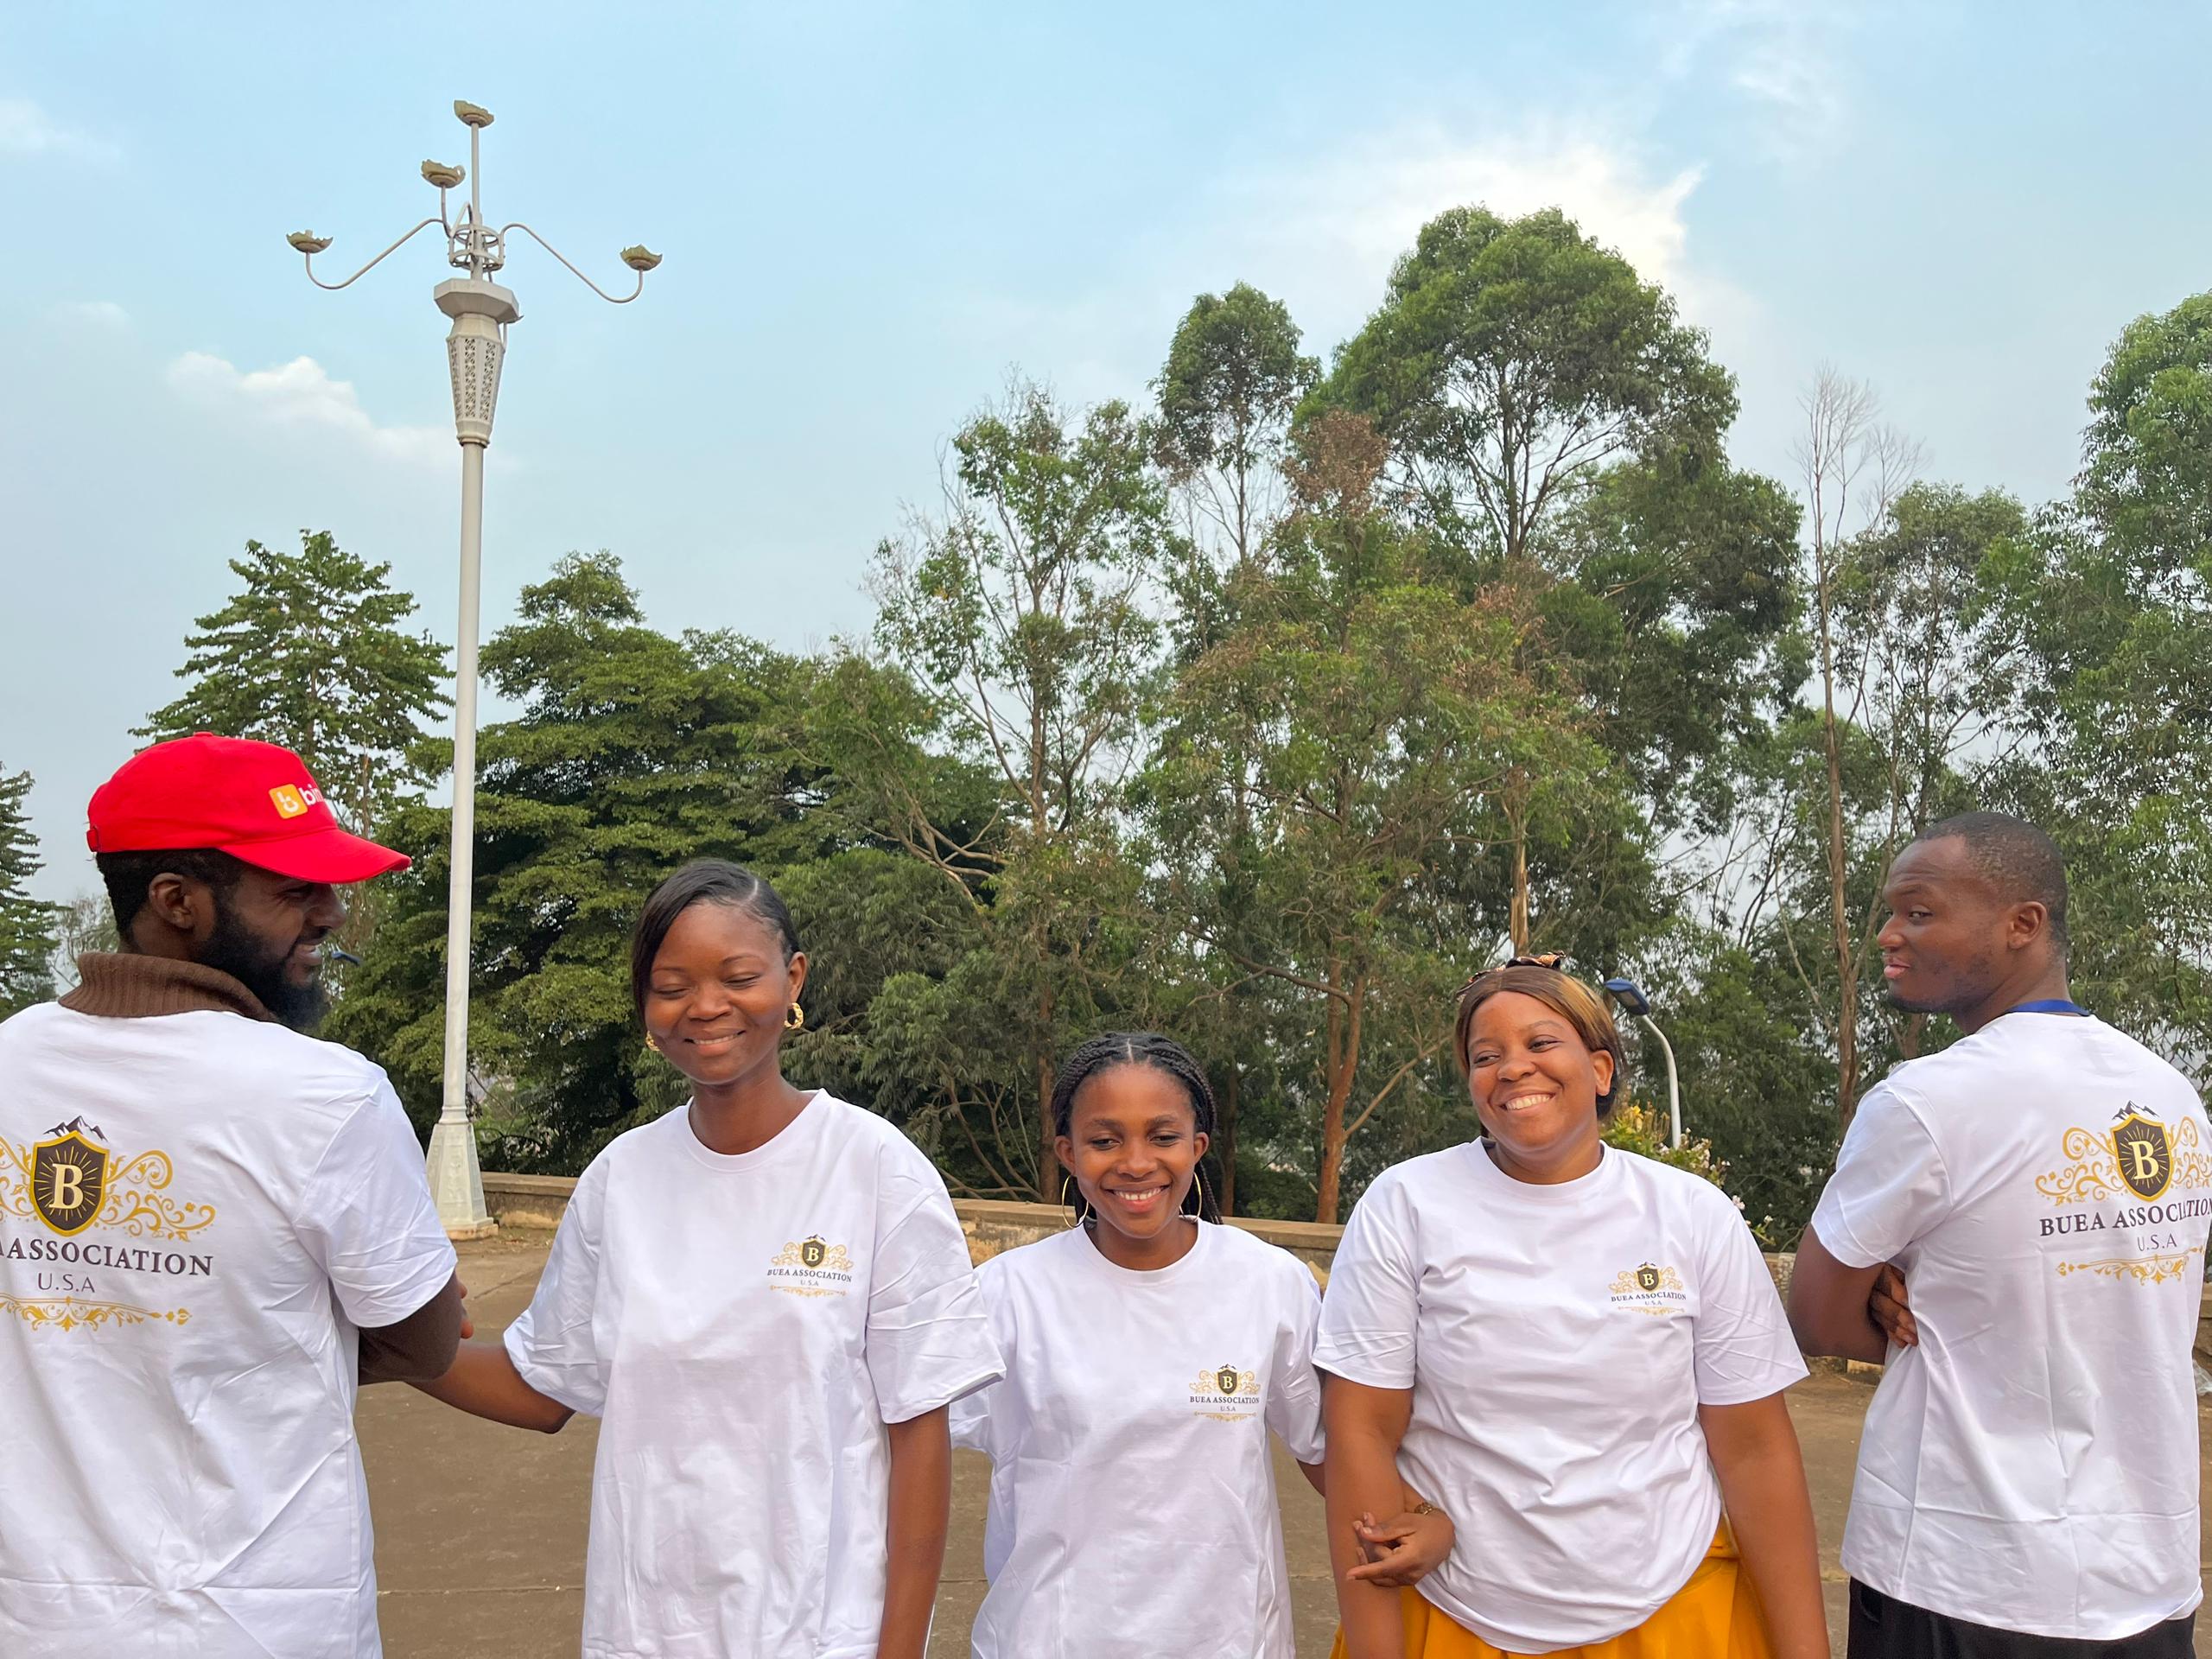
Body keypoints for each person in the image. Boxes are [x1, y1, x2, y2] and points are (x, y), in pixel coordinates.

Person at [410, 858, 1001, 1659]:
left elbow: (919, 1435)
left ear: (793, 980)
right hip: (645, 1632)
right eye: (672, 985)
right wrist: (391, 1337)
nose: (707, 1006)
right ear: (646, 1007)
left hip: (821, 1637)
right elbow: (545, 1386)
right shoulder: (621, 1179)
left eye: (739, 977)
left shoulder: (874, 1170)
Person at [0, 733, 465, 1657]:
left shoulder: (10, 1062)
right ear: (176, 901)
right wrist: (261, 1329)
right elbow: (425, 1337)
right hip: (263, 1620)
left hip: (36, 1619)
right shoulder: (325, 1095)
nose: (332, 912)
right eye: (295, 888)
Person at [1320, 955, 1828, 1659]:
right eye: (1485, 1056)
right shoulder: (1406, 1204)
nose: (1512, 1068)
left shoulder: (1692, 1214)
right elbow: (1360, 1433)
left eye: (1540, 1042)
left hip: (1674, 1606)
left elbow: (1755, 1451)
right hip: (1457, 1612)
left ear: (1600, 1069)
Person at [1789, 813, 2208, 1657]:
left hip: (1958, 1569)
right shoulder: (2170, 1094)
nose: (1888, 934)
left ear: (2023, 923)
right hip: (2147, 1574)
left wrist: (1914, 1310)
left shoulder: (1926, 1101)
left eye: (1919, 912)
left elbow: (1816, 1316)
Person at [946, 1031, 1453, 1659]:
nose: (1136, 1163)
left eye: (1163, 1137)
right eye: (1105, 1141)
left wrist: (1422, 1517)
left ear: (1198, 1147)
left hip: (1229, 1639)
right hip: (1049, 1639)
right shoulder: (1005, 1294)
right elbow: (912, 1438)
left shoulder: (1267, 1282)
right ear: (1068, 1153)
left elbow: (1332, 1449)